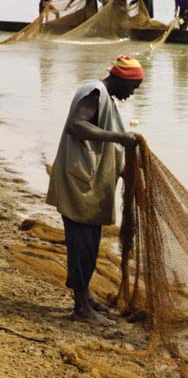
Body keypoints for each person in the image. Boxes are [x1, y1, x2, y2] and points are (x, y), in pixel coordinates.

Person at [46, 56, 144, 323]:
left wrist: (126, 170)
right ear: (123, 79)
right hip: (80, 183)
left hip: (87, 184)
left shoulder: (105, 99)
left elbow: (104, 144)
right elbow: (76, 125)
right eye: (133, 87)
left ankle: (86, 297)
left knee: (89, 243)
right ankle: (80, 309)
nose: (132, 93)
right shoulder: (94, 92)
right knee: (82, 244)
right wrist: (120, 137)